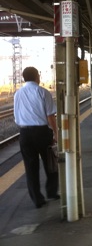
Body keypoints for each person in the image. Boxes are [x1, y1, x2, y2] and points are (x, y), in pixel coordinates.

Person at [14, 67, 59, 208]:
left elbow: (16, 117)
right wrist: (56, 133)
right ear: (37, 77)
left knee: (30, 167)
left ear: (24, 78)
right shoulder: (43, 92)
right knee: (50, 163)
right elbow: (50, 116)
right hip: (42, 133)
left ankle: (37, 200)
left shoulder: (17, 94)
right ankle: (51, 192)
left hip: (25, 134)